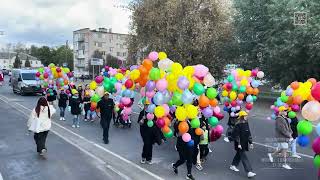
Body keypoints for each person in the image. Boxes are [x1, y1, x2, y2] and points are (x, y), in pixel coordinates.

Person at [229, 111, 256, 178]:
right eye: (245, 115)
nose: (247, 116)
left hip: (244, 143)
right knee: (244, 157)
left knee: (239, 154)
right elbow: (236, 135)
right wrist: (238, 144)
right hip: (239, 144)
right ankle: (249, 171)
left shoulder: (246, 123)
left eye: (246, 115)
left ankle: (233, 165)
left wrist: (251, 142)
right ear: (242, 117)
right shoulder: (238, 125)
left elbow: (248, 133)